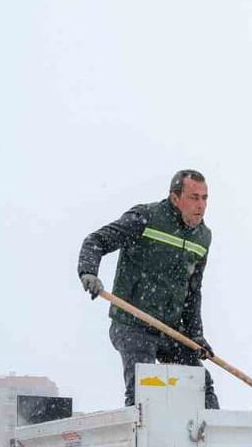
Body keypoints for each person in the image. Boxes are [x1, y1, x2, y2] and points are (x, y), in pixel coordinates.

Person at [77, 169, 219, 409]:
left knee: (200, 386)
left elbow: (193, 291)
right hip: (132, 324)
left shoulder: (202, 236)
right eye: (194, 198)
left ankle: (213, 431)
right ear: (175, 198)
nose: (201, 205)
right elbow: (96, 241)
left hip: (170, 329)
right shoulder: (145, 218)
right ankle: (139, 429)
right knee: (145, 389)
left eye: (205, 198)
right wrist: (88, 272)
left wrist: (195, 334)